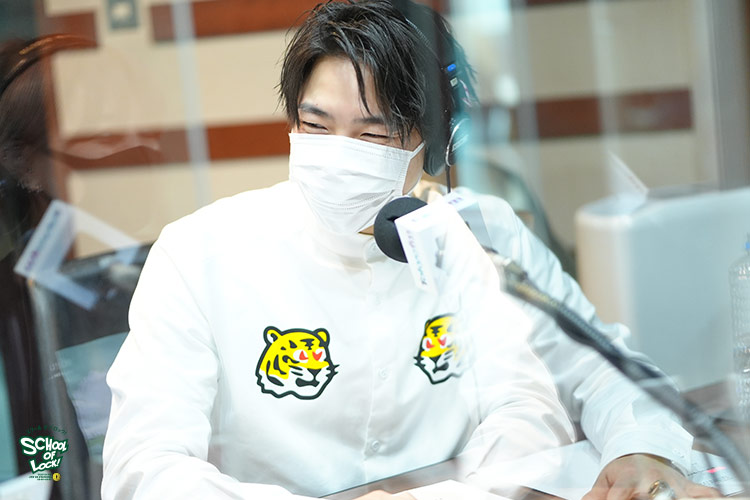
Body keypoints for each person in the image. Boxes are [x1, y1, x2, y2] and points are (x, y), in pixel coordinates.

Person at [102, 1, 720, 499]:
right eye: (315, 126)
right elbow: (143, 467)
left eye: (373, 134)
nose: (338, 154)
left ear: (438, 146)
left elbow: (602, 367)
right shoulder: (200, 253)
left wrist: (643, 449)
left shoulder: (481, 236)